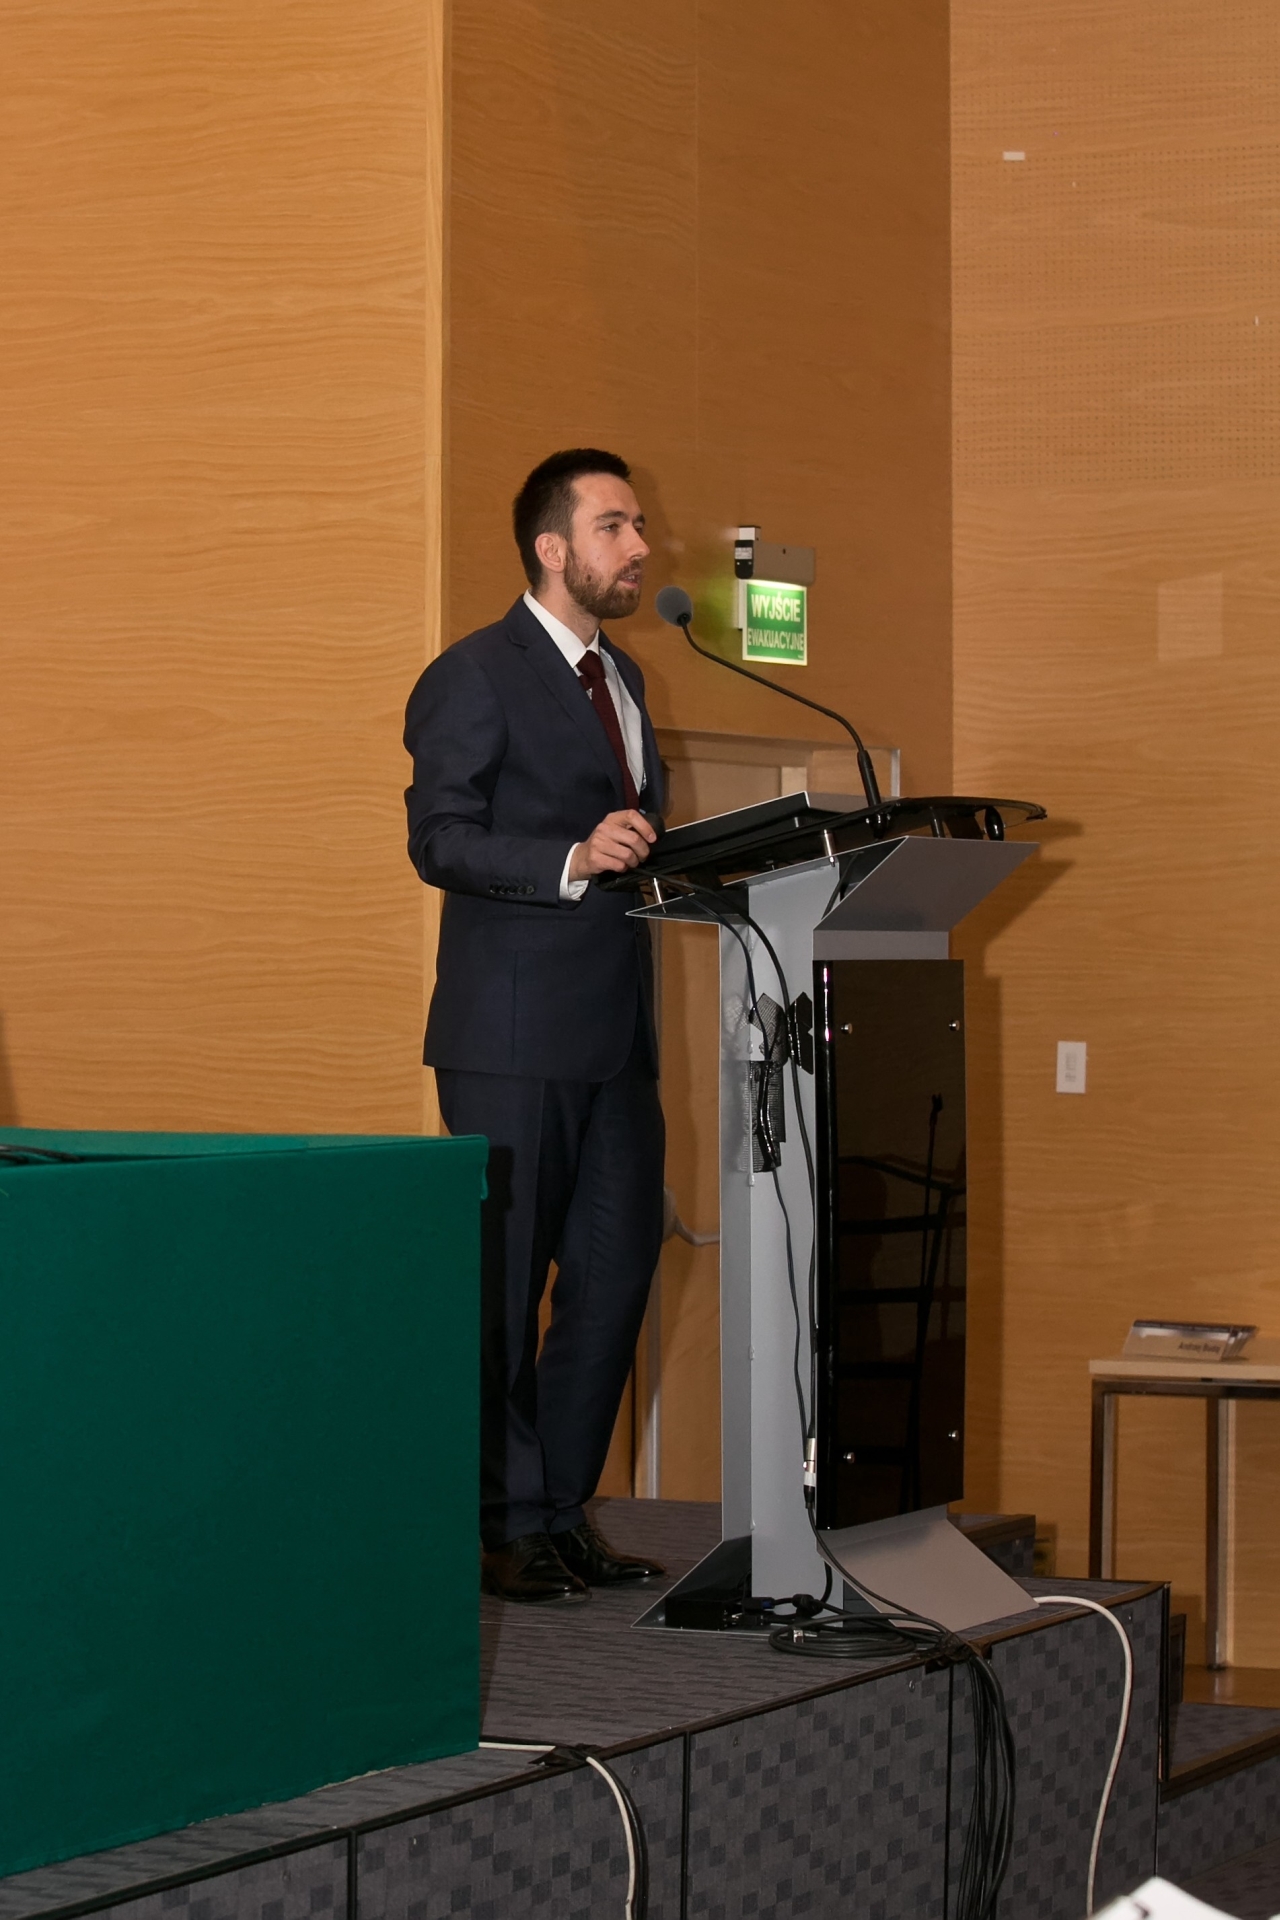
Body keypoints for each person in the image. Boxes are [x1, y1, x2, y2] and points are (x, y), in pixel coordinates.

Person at [403, 449, 668, 1602]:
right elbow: (440, 838)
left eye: (638, 524)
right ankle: (501, 1525)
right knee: (502, 1292)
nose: (640, 547)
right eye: (615, 526)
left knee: (614, 1277)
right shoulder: (474, 674)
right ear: (551, 548)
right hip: (509, 1036)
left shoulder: (627, 680)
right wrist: (568, 857)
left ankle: (559, 1512)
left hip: (615, 1039)